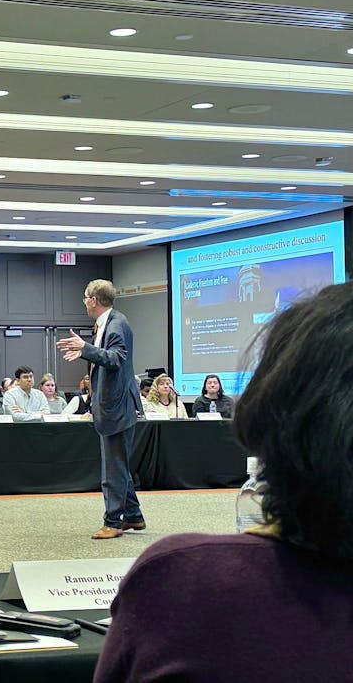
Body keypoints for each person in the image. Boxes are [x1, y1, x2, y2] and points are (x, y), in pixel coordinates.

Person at [95, 281, 353, 681]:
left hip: (115, 414)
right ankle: (127, 514)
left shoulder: (181, 580)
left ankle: (122, 515)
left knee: (116, 469)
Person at [57, 278, 144, 540]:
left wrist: (85, 348)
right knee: (119, 464)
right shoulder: (108, 322)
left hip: (116, 407)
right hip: (113, 405)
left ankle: (112, 522)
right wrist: (87, 351)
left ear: (94, 300)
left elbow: (117, 359)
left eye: (85, 297)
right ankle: (133, 517)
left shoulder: (117, 324)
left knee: (113, 467)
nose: (84, 302)